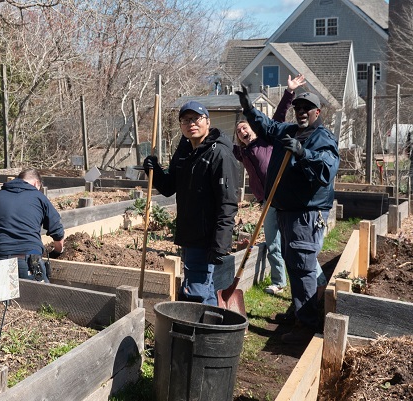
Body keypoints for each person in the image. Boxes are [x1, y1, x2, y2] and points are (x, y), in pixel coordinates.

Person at [237, 86, 340, 344]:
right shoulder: (288, 131)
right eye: (298, 108)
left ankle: (306, 327)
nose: (302, 112)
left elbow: (328, 168)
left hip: (305, 214)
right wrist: (250, 110)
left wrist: (304, 153)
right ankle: (299, 312)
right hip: (286, 212)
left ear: (318, 111)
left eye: (307, 108)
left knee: (303, 267)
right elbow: (268, 127)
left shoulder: (322, 137)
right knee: (293, 263)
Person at [143, 101, 239, 306]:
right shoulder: (185, 151)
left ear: (207, 122)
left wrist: (221, 243)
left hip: (206, 238)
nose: (191, 124)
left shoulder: (219, 154)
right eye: (185, 120)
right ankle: (211, 331)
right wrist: (155, 171)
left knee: (198, 291)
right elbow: (169, 187)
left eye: (196, 118)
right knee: (202, 288)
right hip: (189, 235)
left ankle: (203, 333)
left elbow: (228, 203)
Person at [233, 74, 307, 296]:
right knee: (273, 243)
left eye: (244, 127)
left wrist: (289, 91)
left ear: (254, 128)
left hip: (284, 196)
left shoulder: (268, 140)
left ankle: (307, 284)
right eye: (238, 132)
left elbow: (279, 115)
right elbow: (223, 148)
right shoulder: (241, 152)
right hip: (267, 202)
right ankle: (279, 282)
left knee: (294, 242)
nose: (242, 132)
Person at [0, 168, 64, 282]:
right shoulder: (38, 196)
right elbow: (57, 230)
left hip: (1, 257)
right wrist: (58, 250)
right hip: (28, 259)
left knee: (5, 298)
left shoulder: (0, 195)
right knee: (44, 297)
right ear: (36, 183)